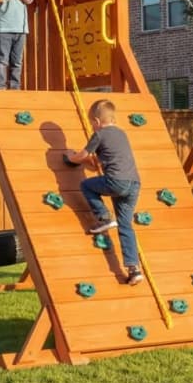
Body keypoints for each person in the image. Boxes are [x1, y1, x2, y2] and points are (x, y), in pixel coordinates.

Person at [65, 99, 145, 285]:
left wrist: (71, 158)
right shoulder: (121, 134)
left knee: (86, 185)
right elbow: (96, 165)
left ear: (96, 122)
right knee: (126, 226)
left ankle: (103, 217)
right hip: (134, 184)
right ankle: (134, 270)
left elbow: (82, 156)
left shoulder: (99, 135)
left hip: (117, 181)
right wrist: (87, 162)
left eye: (92, 123)